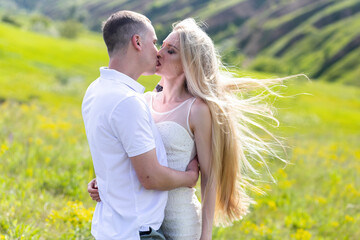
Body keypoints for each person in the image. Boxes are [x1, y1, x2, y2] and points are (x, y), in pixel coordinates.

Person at [89, 17, 298, 240]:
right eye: (162, 46)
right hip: (143, 219)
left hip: (180, 221)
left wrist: (205, 235)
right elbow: (129, 154)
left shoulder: (197, 110)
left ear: (189, 63)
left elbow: (209, 176)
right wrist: (106, 182)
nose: (159, 53)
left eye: (171, 51)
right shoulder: (144, 101)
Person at [82, 11, 200, 240]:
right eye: (155, 42)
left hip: (110, 228)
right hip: (135, 233)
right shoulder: (128, 102)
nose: (158, 52)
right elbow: (150, 178)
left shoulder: (95, 90)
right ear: (137, 42)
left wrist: (104, 183)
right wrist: (190, 178)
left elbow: (113, 154)